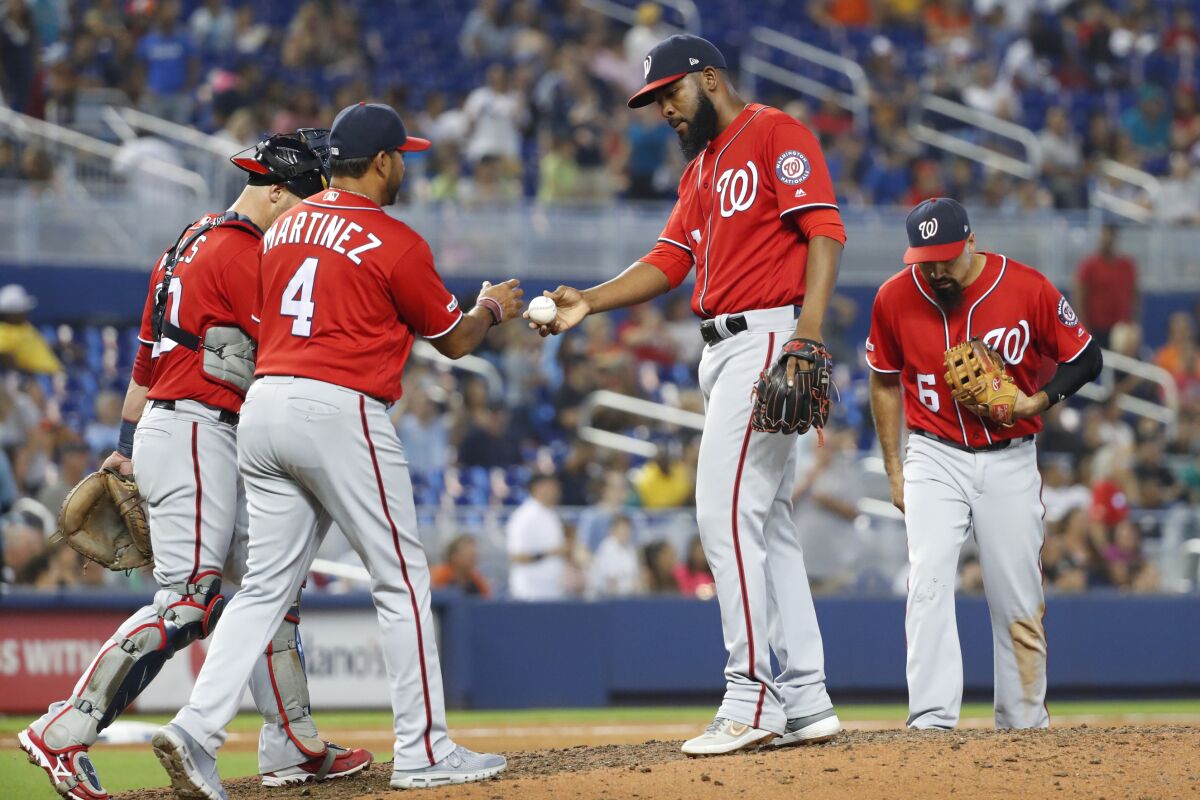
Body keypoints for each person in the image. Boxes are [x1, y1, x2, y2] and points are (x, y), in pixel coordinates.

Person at [148, 103, 522, 797]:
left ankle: (196, 727)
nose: (404, 165)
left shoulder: (285, 224)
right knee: (402, 579)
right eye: (400, 155)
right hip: (339, 407)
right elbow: (455, 341)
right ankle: (423, 751)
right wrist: (494, 307)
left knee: (263, 587)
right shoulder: (395, 240)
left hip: (263, 407)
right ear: (381, 162)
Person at [18, 130, 374, 800]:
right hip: (197, 431)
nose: (310, 214)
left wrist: (126, 443)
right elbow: (291, 352)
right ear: (277, 192)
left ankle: (292, 744)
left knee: (270, 585)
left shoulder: (187, 241)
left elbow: (146, 361)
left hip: (181, 428)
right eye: (305, 199)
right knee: (189, 602)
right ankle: (62, 731)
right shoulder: (245, 254)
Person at [527, 35, 844, 754]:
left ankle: (750, 695)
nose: (664, 108)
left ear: (709, 78)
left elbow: (824, 233)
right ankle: (805, 696)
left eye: (672, 92)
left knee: (722, 514)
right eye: (654, 98)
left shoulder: (774, 132)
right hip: (724, 348)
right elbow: (671, 258)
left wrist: (809, 334)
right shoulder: (699, 169)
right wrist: (592, 302)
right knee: (766, 524)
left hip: (768, 336)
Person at [866, 197, 1103, 730]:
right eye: (925, 259)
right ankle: (930, 721)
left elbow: (1087, 358)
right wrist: (895, 471)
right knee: (926, 577)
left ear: (970, 241)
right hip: (933, 451)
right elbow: (882, 380)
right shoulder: (893, 298)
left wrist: (1036, 401)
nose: (935, 269)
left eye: (946, 257)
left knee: (1017, 593)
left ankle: (1022, 725)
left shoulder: (1025, 287)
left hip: (1010, 457)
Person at [1074, 224, 1137, 348]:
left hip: (1120, 327)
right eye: (1103, 237)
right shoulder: (1089, 265)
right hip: (1096, 325)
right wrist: (1084, 326)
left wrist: (1133, 323)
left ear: (1114, 239)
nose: (1105, 241)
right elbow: (1080, 295)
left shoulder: (1127, 266)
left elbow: (1134, 295)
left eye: (1108, 237)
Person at [506, 473, 568, 600]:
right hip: (530, 592)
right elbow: (516, 556)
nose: (556, 492)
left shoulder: (551, 514)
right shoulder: (524, 517)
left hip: (552, 590)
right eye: (552, 487)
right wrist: (550, 552)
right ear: (538, 488)